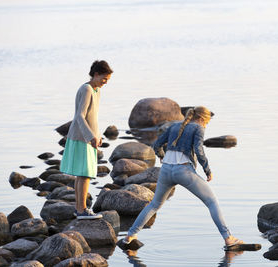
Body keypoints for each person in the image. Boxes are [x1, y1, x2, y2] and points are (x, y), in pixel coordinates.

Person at [122, 106, 243, 248]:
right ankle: (228, 238)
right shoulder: (198, 128)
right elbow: (199, 150)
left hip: (166, 170)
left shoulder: (174, 126)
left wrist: (162, 156)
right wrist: (207, 170)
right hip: (184, 171)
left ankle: (130, 235)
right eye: (207, 122)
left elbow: (157, 144)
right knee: (212, 202)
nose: (206, 125)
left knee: (154, 204)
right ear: (202, 119)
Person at [60, 60, 113, 219]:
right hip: (82, 137)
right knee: (84, 174)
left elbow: (92, 117)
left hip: (88, 137)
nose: (105, 83)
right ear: (96, 74)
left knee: (82, 174)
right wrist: (90, 136)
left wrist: (98, 135)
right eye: (104, 79)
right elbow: (80, 117)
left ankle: (79, 209)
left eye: (107, 80)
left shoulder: (96, 90)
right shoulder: (87, 89)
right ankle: (82, 210)